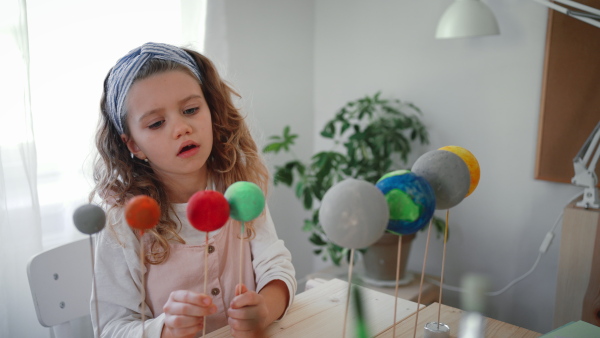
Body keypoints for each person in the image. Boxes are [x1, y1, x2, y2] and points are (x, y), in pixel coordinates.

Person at [89, 42, 296, 338]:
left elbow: (275, 266)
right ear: (134, 145)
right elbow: (110, 327)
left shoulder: (239, 189)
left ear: (211, 111)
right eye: (157, 123)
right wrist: (165, 330)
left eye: (190, 109)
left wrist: (265, 307)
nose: (181, 127)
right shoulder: (123, 221)